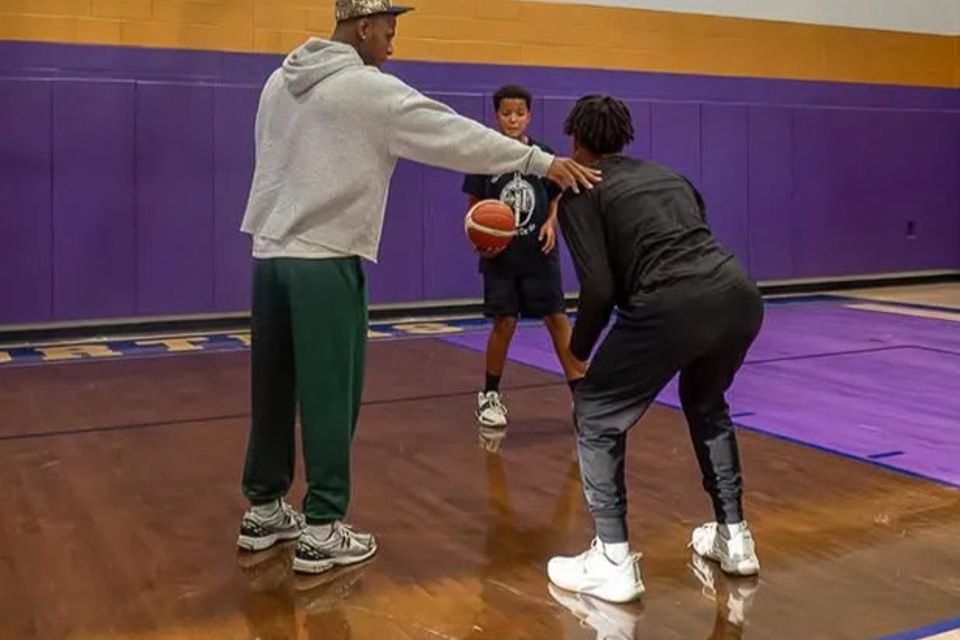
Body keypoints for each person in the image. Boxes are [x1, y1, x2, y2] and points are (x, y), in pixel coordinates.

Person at [235, 0, 600, 575]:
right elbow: (451, 136)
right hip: (325, 260)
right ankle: (324, 526)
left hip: (269, 255)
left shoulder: (279, 82)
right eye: (389, 27)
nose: (393, 39)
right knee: (331, 394)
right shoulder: (369, 90)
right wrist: (536, 160)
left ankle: (263, 508)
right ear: (361, 27)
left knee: (273, 389)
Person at [545, 95, 763, 603]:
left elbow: (598, 288)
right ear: (624, 138)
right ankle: (735, 539)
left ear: (575, 141)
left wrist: (578, 353)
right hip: (738, 294)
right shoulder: (671, 176)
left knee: (596, 412)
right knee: (707, 405)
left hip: (671, 303)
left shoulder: (580, 191)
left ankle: (613, 559)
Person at [462, 85, 579, 448]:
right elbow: (474, 209)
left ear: (529, 116)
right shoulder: (484, 156)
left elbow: (558, 195)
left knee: (558, 321)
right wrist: (483, 238)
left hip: (539, 254)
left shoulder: (542, 154)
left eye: (519, 113)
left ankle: (584, 398)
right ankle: (491, 395)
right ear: (496, 117)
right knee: (505, 322)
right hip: (502, 258)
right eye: (506, 113)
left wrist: (551, 223)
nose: (513, 119)